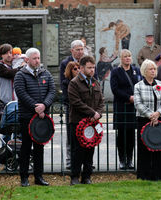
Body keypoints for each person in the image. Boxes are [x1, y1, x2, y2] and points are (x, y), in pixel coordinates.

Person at [14, 48, 56, 187]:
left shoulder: (46, 73)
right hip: (27, 117)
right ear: (27, 59)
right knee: (25, 147)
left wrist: (44, 105)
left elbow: (52, 91)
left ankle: (39, 177)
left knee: (39, 148)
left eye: (38, 58)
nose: (37, 61)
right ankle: (24, 178)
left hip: (42, 117)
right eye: (34, 58)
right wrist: (36, 108)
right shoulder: (20, 75)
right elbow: (21, 93)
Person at [68, 56, 104, 185]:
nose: (92, 70)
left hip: (92, 123)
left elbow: (101, 101)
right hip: (78, 122)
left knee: (90, 150)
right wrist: (92, 112)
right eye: (89, 68)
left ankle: (87, 176)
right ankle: (74, 177)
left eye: (93, 67)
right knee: (77, 151)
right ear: (81, 68)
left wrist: (98, 114)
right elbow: (76, 102)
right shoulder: (74, 83)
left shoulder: (95, 82)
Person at [134, 59, 161, 181]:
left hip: (160, 119)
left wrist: (158, 113)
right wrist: (151, 115)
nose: (153, 71)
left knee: (159, 146)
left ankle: (159, 175)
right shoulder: (138, 86)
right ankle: (145, 176)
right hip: (144, 120)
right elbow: (138, 104)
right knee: (144, 148)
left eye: (154, 69)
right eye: (151, 69)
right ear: (144, 71)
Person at [110, 49, 142, 169]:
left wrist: (136, 98)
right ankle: (122, 160)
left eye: (129, 56)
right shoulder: (116, 72)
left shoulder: (136, 70)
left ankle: (130, 159)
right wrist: (129, 97)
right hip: (121, 106)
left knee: (131, 135)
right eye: (125, 56)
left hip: (133, 108)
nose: (128, 58)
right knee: (122, 135)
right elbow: (115, 89)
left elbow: (140, 85)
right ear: (121, 59)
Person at [61, 61, 80, 169]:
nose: (77, 70)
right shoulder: (66, 83)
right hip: (71, 112)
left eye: (78, 68)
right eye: (75, 69)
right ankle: (70, 160)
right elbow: (66, 98)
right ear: (70, 71)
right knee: (71, 137)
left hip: (81, 112)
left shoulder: (82, 81)